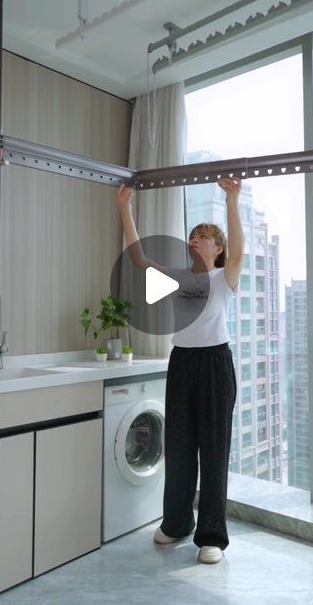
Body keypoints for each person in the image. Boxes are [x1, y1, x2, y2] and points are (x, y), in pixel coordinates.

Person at [116, 176, 244, 564]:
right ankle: (176, 523)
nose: (195, 239)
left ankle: (211, 537)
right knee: (180, 446)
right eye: (193, 234)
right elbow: (139, 261)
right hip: (183, 362)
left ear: (217, 248)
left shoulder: (224, 277)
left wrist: (232, 202)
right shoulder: (178, 278)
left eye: (204, 236)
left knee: (214, 450)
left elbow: (238, 254)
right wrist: (125, 208)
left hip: (215, 364)